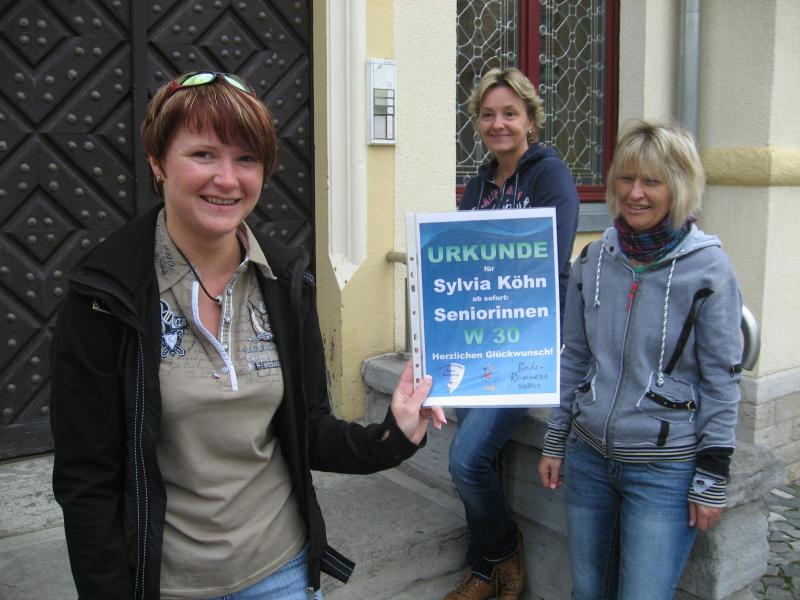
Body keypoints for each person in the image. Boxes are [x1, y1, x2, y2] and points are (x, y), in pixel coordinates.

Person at [50, 71, 444, 600]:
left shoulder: (284, 280)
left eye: (246, 159)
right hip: (169, 585)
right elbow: (87, 482)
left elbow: (309, 430)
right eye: (203, 154)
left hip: (281, 572)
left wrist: (394, 433)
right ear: (157, 162)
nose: (227, 179)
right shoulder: (105, 295)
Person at [538, 120, 743, 599]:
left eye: (652, 181)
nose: (635, 193)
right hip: (589, 458)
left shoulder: (709, 270)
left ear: (678, 187)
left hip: (664, 472)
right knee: (587, 591)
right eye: (626, 179)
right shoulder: (593, 259)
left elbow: (721, 380)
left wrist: (712, 476)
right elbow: (575, 356)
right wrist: (555, 440)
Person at [446, 67, 579, 600]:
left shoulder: (551, 177)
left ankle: (503, 552)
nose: (497, 124)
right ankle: (483, 571)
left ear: (529, 120)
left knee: (466, 458)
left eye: (509, 113)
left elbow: (550, 258)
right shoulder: (478, 185)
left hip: (528, 342)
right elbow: (461, 259)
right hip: (477, 339)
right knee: (481, 457)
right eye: (487, 115)